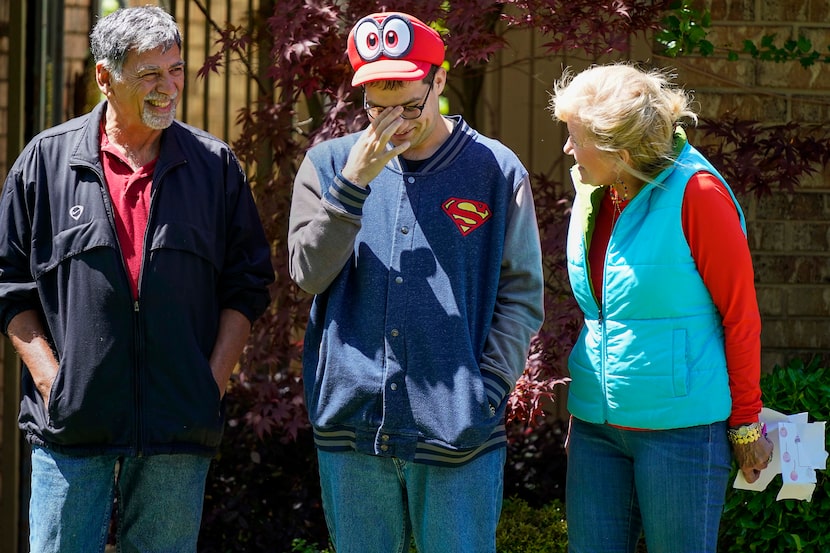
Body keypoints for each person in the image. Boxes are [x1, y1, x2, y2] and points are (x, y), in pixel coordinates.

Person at [0, 6, 274, 552]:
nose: (168, 87)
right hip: (73, 431)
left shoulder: (215, 167)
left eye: (175, 70)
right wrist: (54, 382)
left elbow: (247, 286)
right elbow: (10, 286)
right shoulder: (45, 163)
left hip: (178, 426)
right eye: (150, 74)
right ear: (106, 76)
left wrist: (211, 381)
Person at [288, 11, 545, 553]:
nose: (394, 123)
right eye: (378, 109)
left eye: (409, 104)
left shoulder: (495, 170)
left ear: (439, 81)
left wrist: (487, 392)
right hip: (352, 431)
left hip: (459, 430)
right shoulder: (327, 164)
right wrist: (354, 184)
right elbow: (308, 275)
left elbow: (521, 295)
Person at [548, 63, 774, 553]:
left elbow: (740, 316)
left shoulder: (699, 193)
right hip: (596, 428)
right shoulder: (596, 190)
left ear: (619, 151)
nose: (567, 149)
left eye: (575, 137)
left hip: (681, 432)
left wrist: (746, 424)